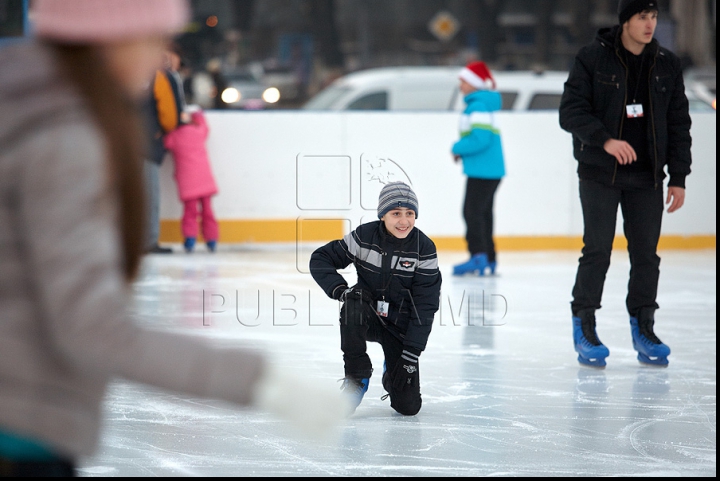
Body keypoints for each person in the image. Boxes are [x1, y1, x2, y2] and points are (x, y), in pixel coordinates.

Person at [0, 1, 347, 476]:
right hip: (20, 434)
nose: (163, 55)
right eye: (155, 37)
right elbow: (91, 328)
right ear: (111, 37)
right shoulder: (63, 137)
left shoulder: (21, 102)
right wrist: (264, 383)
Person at [559, 0, 692, 368]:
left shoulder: (666, 64)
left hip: (648, 176)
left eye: (653, 17)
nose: (649, 24)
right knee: (598, 250)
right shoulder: (592, 58)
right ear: (625, 22)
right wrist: (605, 140)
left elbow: (679, 124)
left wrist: (678, 177)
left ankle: (644, 328)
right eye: (642, 17)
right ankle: (584, 325)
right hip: (600, 173)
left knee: (646, 256)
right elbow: (570, 110)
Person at [309, 182, 442, 416]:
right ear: (383, 215)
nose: (404, 221)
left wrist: (410, 355)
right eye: (396, 213)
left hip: (399, 327)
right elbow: (321, 258)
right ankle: (357, 377)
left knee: (408, 407)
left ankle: (389, 371)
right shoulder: (364, 236)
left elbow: (426, 305)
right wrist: (341, 290)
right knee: (352, 305)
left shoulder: (424, 249)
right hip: (366, 315)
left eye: (409, 214)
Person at [450, 61, 506, 277]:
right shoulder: (481, 104)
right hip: (487, 169)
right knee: (483, 214)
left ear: (473, 83)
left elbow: (480, 139)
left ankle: (478, 256)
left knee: (471, 213)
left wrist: (456, 148)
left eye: (463, 81)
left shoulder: (478, 106)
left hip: (483, 171)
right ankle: (488, 258)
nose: (461, 85)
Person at [142, 43, 188, 254]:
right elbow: (169, 115)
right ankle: (149, 240)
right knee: (149, 193)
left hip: (124, 140)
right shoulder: (160, 75)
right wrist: (163, 131)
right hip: (147, 141)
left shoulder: (131, 71)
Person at [162, 106, 220, 253]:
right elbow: (205, 127)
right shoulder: (198, 132)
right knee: (208, 211)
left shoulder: (174, 136)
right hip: (204, 179)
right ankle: (212, 240)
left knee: (190, 212)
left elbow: (165, 143)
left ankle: (190, 239)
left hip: (187, 181)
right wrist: (198, 114)